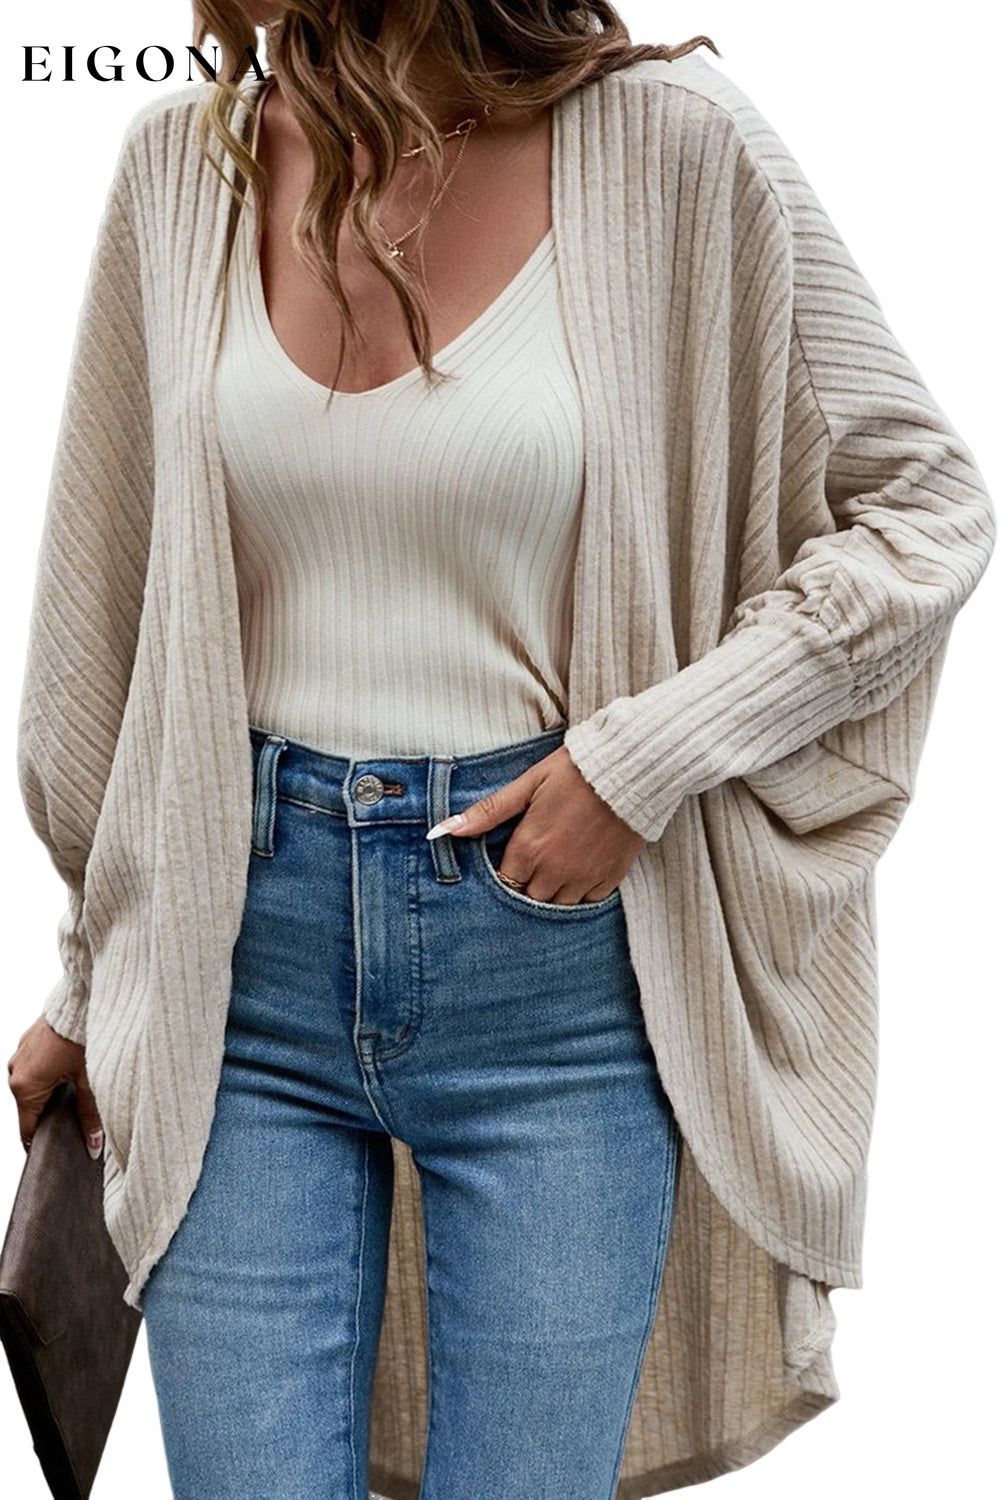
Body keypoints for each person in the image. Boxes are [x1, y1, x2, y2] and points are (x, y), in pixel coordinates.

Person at [7, 3, 995, 1498]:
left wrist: (641, 763)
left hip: (557, 985)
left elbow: (924, 507)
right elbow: (105, 619)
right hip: (233, 983)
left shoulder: (671, 150)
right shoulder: (183, 170)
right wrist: (91, 982)